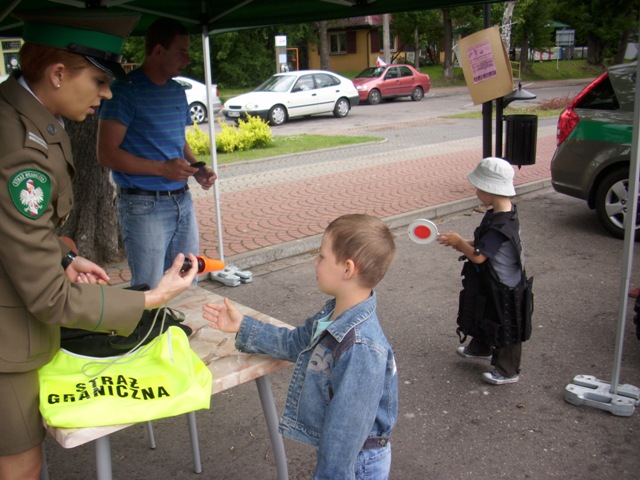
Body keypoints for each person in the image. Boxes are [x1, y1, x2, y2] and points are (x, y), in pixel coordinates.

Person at [0, 11, 200, 480]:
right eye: (98, 80)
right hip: (8, 334)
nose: (108, 92)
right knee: (20, 462)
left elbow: (23, 233)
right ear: (57, 73)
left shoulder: (28, 118)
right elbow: (48, 298)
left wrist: (65, 256)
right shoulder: (18, 147)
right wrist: (150, 298)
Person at [203, 214, 398, 479]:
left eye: (321, 256)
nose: (314, 262)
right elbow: (295, 342)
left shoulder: (361, 347)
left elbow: (345, 433)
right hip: (345, 455)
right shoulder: (333, 314)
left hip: (357, 463)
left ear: (348, 269)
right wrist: (243, 327)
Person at [98, 17, 216, 288]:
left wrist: (196, 167)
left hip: (182, 201)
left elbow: (178, 141)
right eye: (181, 52)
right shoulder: (124, 92)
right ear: (158, 51)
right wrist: (163, 169)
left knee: (187, 282)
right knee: (151, 288)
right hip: (143, 206)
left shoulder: (177, 91)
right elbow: (106, 154)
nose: (187, 60)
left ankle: (183, 332)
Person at [437, 157, 532, 385]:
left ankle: (508, 370)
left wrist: (460, 243)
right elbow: (485, 244)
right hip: (492, 281)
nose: (476, 192)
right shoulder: (502, 212)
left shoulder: (502, 224)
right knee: (483, 313)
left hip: (506, 287)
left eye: (479, 188)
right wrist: (460, 241)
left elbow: (479, 256)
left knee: (506, 325)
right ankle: (480, 347)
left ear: (490, 189)